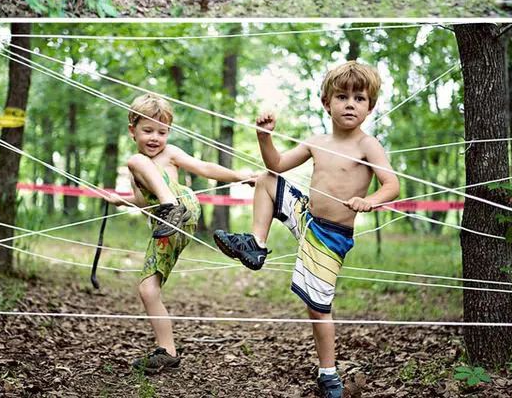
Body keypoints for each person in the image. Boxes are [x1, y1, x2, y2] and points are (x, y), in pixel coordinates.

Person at [213, 61, 400, 398]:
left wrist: (370, 200)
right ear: (327, 103)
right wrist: (263, 136)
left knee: (317, 307)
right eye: (342, 96)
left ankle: (328, 373)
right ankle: (256, 244)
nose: (350, 103)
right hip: (306, 217)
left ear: (370, 107)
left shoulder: (367, 146)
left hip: (331, 236)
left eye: (359, 98)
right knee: (266, 180)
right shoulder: (317, 141)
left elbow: (392, 184)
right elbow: (277, 165)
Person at [105, 93, 256, 375]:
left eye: (161, 132)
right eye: (147, 130)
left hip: (181, 210)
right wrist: (121, 201)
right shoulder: (137, 169)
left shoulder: (167, 154)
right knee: (147, 290)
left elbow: (204, 168)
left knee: (134, 160)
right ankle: (168, 352)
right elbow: (142, 202)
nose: (155, 138)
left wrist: (240, 176)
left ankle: (170, 205)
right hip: (166, 225)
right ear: (132, 129)